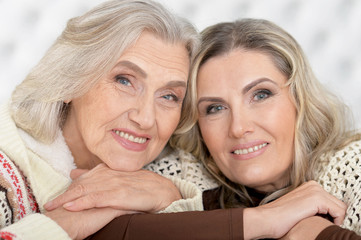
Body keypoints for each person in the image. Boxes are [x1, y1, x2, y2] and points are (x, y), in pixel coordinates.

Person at [56, 19, 361, 239]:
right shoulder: (184, 175)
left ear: (299, 100)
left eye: (261, 95)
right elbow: (89, 233)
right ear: (197, 124)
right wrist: (172, 196)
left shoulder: (352, 166)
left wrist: (317, 233)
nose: (239, 128)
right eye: (215, 108)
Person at [0, 0, 203, 239]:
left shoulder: (183, 173)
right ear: (70, 80)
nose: (146, 119)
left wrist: (169, 196)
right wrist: (61, 226)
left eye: (169, 96)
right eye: (124, 81)